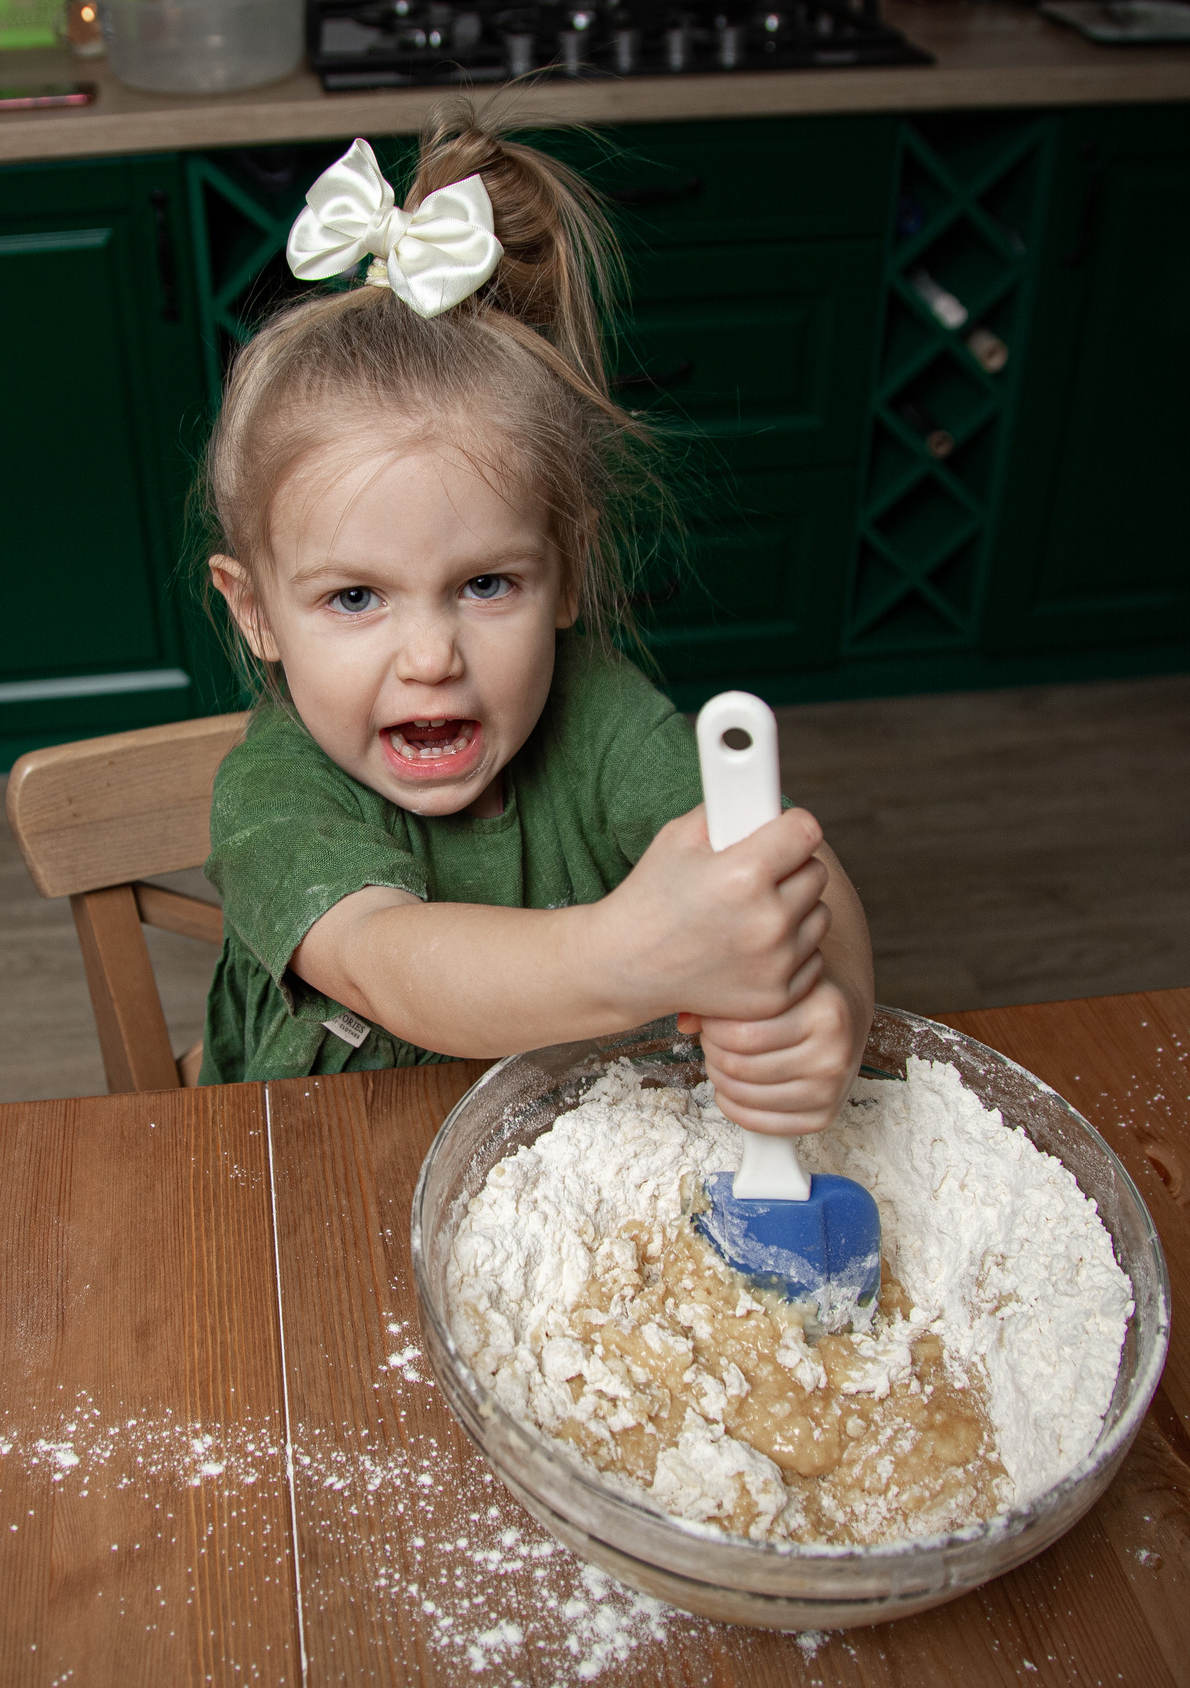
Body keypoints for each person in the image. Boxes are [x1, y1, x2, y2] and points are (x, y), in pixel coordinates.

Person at [197, 104, 874, 1138]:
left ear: (563, 576)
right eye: (353, 598)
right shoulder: (271, 796)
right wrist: (624, 958)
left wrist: (831, 1014)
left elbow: (800, 875)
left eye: (484, 586)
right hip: (314, 1173)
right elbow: (391, 966)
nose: (430, 658)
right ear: (256, 614)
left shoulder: (605, 721)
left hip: (578, 1154)